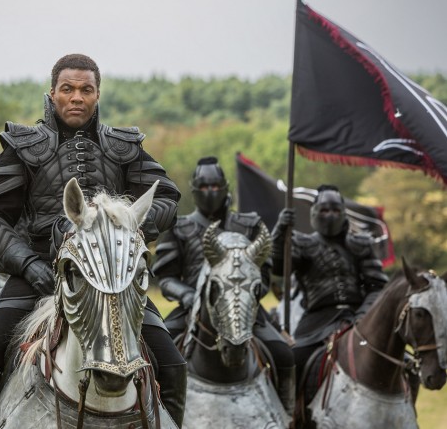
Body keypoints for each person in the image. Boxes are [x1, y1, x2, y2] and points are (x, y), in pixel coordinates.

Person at [0, 54, 186, 428]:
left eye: (86, 89)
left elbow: (166, 199)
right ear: (52, 93)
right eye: (68, 89)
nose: (77, 97)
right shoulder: (23, 145)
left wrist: (123, 225)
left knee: (172, 363)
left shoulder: (124, 145)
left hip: (113, 276)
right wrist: (29, 265)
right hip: (37, 272)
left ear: (97, 95)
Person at [153, 156, 296, 414]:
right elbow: (165, 278)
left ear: (225, 187)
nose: (210, 192)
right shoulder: (180, 227)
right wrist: (187, 295)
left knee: (283, 353)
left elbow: (263, 277)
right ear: (195, 190)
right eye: (204, 187)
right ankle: (161, 412)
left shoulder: (249, 225)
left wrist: (247, 297)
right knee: (156, 352)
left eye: (215, 186)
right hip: (193, 310)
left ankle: (287, 412)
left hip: (246, 311)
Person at [271, 184, 388, 384]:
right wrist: (280, 232)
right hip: (317, 321)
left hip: (358, 316)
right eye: (324, 210)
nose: (330, 215)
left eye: (335, 210)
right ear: (314, 212)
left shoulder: (360, 244)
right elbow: (279, 267)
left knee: (399, 361)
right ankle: (292, 404)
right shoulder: (302, 244)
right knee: (292, 362)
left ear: (343, 212)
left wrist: (363, 316)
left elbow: (378, 287)